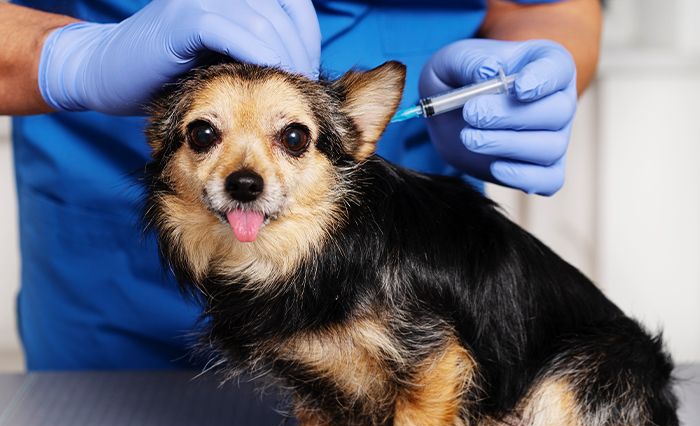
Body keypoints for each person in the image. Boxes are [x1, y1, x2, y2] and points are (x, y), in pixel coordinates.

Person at [0, 0, 601, 370]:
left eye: (291, 139)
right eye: (205, 133)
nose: (246, 170)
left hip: (400, 241)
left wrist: (521, 82)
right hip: (104, 268)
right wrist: (67, 59)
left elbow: (551, 5)